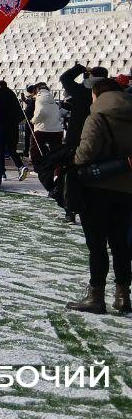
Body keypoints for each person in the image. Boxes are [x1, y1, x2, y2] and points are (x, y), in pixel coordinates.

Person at [65, 78, 132, 314]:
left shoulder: (97, 117)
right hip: (126, 188)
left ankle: (96, 296)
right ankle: (123, 295)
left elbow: (85, 154)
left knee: (97, 245)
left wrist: (73, 159)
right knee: (121, 244)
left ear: (96, 94)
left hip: (96, 188)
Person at [28, 83, 65, 192]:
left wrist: (33, 120)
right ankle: (57, 170)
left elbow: (41, 112)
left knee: (35, 149)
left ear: (37, 90)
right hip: (56, 129)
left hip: (42, 129)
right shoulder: (51, 99)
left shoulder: (40, 98)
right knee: (57, 151)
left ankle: (38, 169)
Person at [60, 63, 107, 149]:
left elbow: (64, 78)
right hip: (102, 134)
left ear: (91, 76)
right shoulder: (110, 91)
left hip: (78, 134)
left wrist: (81, 69)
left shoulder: (80, 90)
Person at [0, 80, 28, 181]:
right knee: (12, 150)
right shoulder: (12, 94)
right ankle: (20, 166)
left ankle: (2, 173)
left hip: (2, 126)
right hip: (13, 127)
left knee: (0, 150)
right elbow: (21, 113)